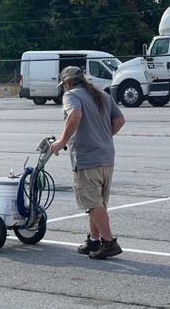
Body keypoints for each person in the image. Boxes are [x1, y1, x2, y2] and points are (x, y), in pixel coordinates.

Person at [50, 66, 125, 259]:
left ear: (67, 83)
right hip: (107, 157)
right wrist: (103, 136)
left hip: (87, 159)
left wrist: (61, 142)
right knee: (98, 202)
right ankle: (94, 240)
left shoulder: (71, 96)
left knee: (92, 203)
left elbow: (75, 115)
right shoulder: (102, 95)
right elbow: (119, 120)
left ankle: (109, 243)